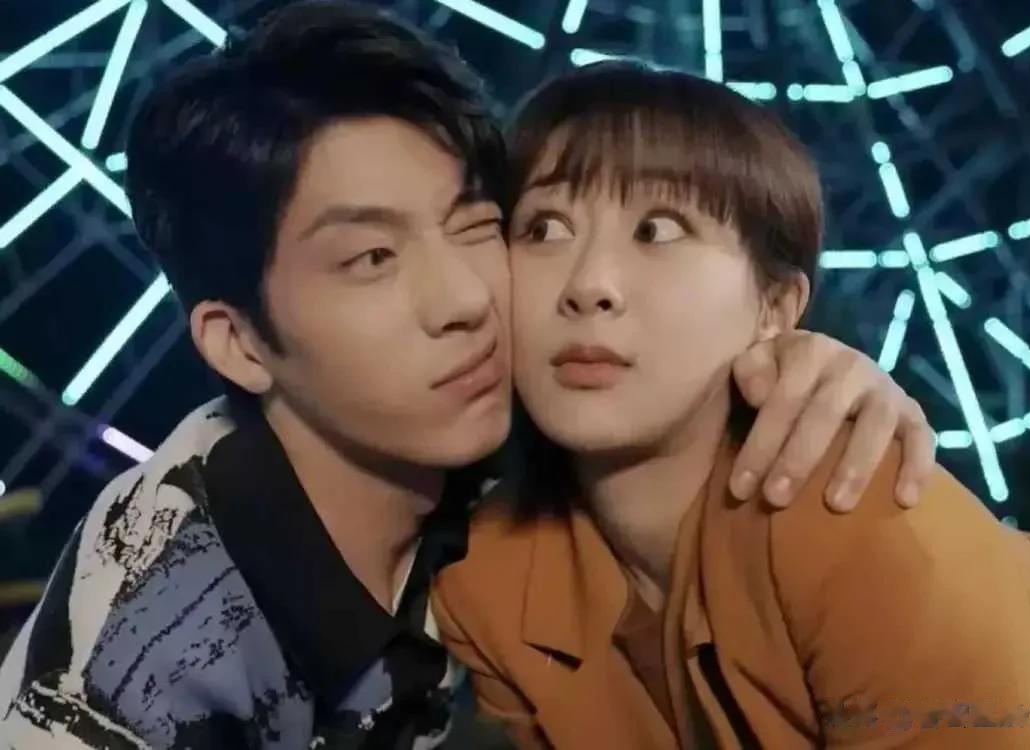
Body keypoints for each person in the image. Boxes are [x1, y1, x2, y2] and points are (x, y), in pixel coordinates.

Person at [0, 4, 935, 748]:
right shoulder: (127, 670)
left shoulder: (540, 415)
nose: (464, 301)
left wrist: (817, 375)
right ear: (239, 341)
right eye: (371, 258)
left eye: (479, 227)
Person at [432, 61, 1030, 748]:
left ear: (775, 308)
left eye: (658, 230)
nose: (589, 285)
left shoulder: (851, 509)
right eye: (543, 229)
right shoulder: (488, 582)